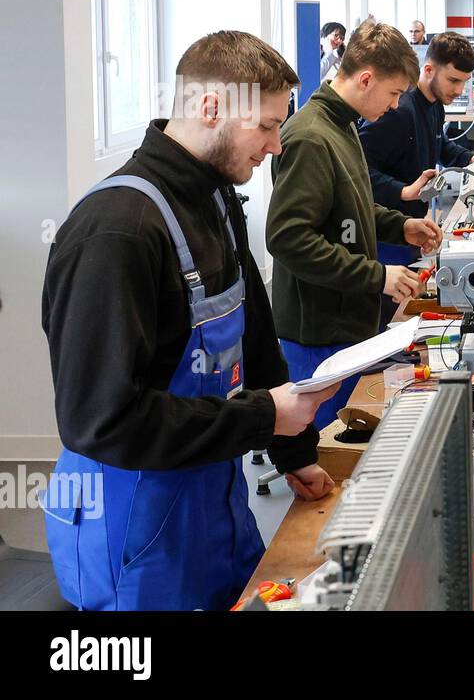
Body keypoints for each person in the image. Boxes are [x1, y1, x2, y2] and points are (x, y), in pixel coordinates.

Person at [42, 31, 338, 611]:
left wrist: (293, 449)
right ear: (210, 109)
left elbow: (254, 335)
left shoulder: (216, 199)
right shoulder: (117, 232)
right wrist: (261, 418)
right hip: (132, 529)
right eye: (268, 126)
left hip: (213, 505)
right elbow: (101, 422)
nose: (278, 145)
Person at [267, 20, 444, 431]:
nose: (397, 105)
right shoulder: (311, 138)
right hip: (319, 330)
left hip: (345, 321)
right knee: (322, 452)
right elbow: (289, 238)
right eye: (394, 93)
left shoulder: (342, 125)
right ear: (366, 79)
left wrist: (401, 228)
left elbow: (351, 208)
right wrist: (376, 274)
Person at [358, 32, 474, 268]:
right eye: (453, 80)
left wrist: (469, 158)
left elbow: (437, 142)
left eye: (464, 81)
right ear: (428, 70)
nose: (460, 90)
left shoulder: (435, 104)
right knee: (392, 301)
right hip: (384, 231)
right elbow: (357, 171)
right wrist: (404, 191)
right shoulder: (398, 112)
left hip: (411, 225)